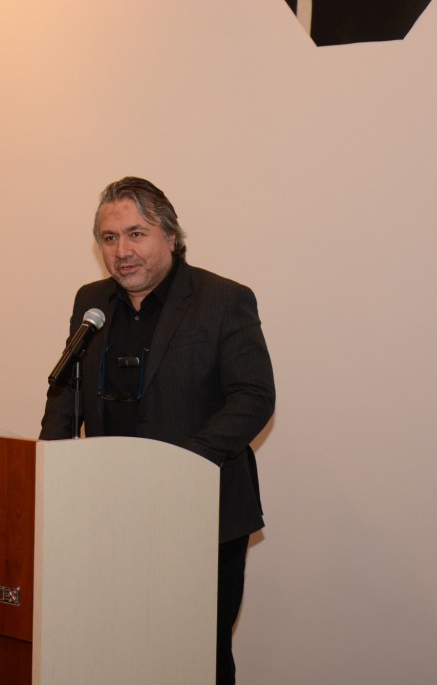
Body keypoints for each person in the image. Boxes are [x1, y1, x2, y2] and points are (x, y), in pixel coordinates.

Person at [39, 176, 275, 685]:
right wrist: (46, 473)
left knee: (195, 657)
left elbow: (253, 397)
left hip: (200, 516)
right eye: (109, 238)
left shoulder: (223, 299)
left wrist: (177, 469)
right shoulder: (91, 302)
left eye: (136, 234)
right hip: (109, 515)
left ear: (170, 235)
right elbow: (66, 395)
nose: (122, 251)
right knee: (117, 650)